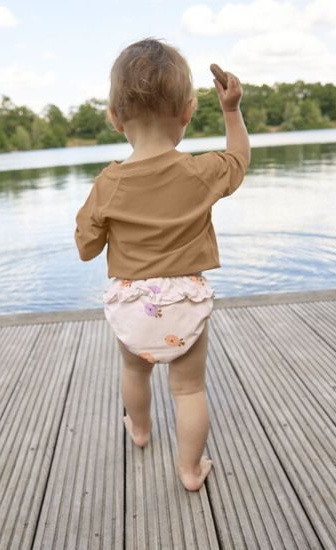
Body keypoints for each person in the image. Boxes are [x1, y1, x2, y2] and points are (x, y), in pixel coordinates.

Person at [74, 38, 250, 491]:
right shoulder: (199, 172)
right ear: (188, 112)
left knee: (134, 370)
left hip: (133, 299)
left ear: (115, 118)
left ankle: (140, 429)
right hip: (185, 298)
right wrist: (231, 111)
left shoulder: (109, 183)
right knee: (189, 389)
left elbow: (87, 247)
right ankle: (190, 470)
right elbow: (238, 160)